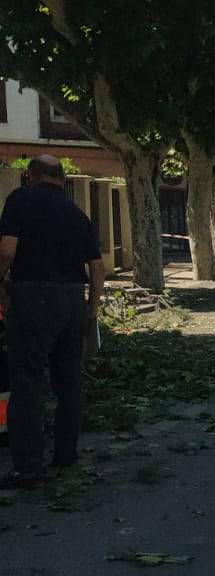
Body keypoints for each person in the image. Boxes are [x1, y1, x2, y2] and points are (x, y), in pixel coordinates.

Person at [0, 155, 106, 487]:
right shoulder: (77, 213)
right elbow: (97, 269)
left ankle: (29, 468)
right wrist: (92, 311)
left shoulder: (20, 199)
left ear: (31, 176)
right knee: (67, 381)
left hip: (33, 296)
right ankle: (65, 455)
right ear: (62, 178)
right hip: (73, 298)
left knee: (27, 382)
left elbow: (7, 251)